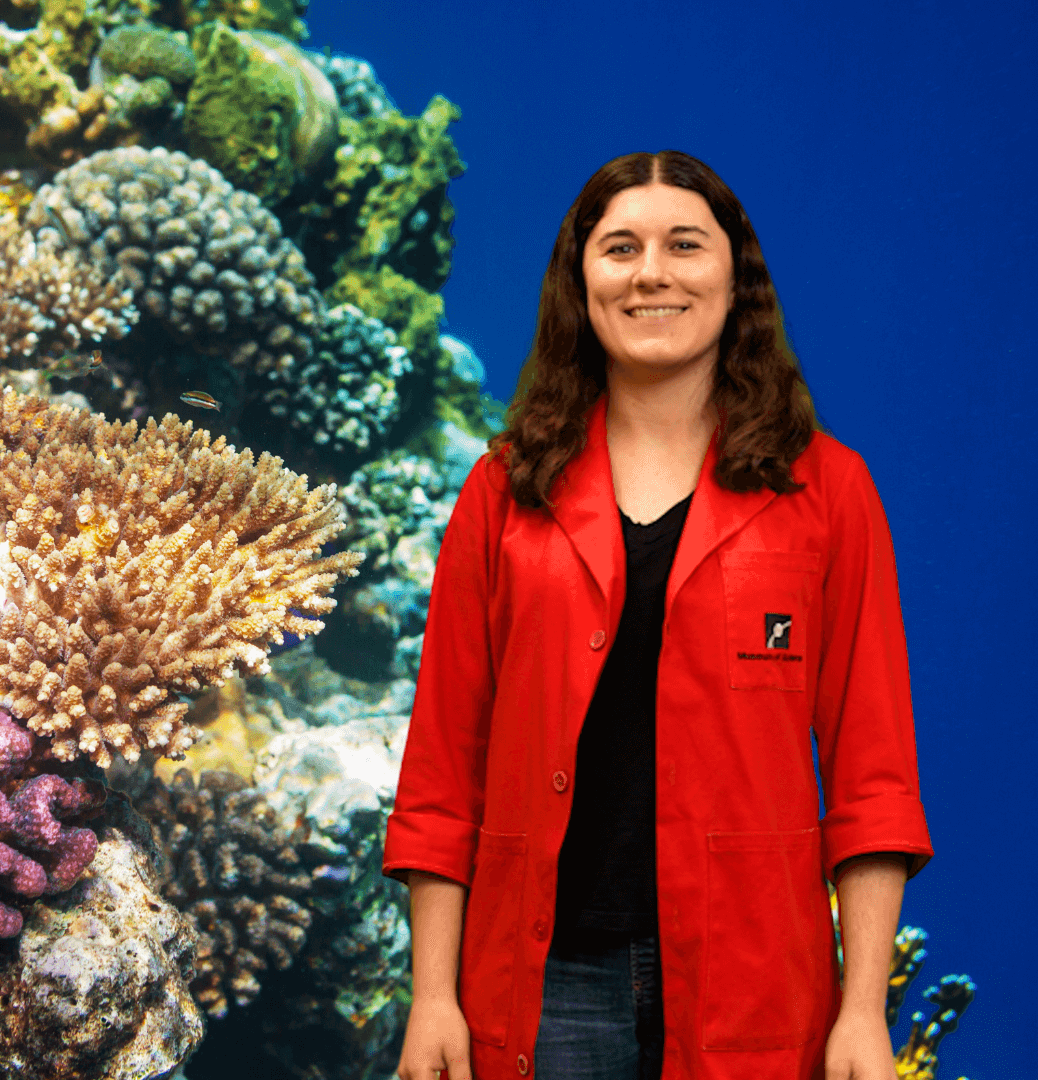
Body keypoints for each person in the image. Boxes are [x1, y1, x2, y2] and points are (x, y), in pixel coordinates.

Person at [381, 150, 934, 1080]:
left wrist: (864, 1009)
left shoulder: (831, 491)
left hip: (761, 981)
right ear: (579, 279)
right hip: (542, 983)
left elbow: (873, 780)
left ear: (735, 275)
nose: (651, 274)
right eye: (619, 248)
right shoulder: (501, 490)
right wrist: (433, 996)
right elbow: (442, 771)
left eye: (685, 244)